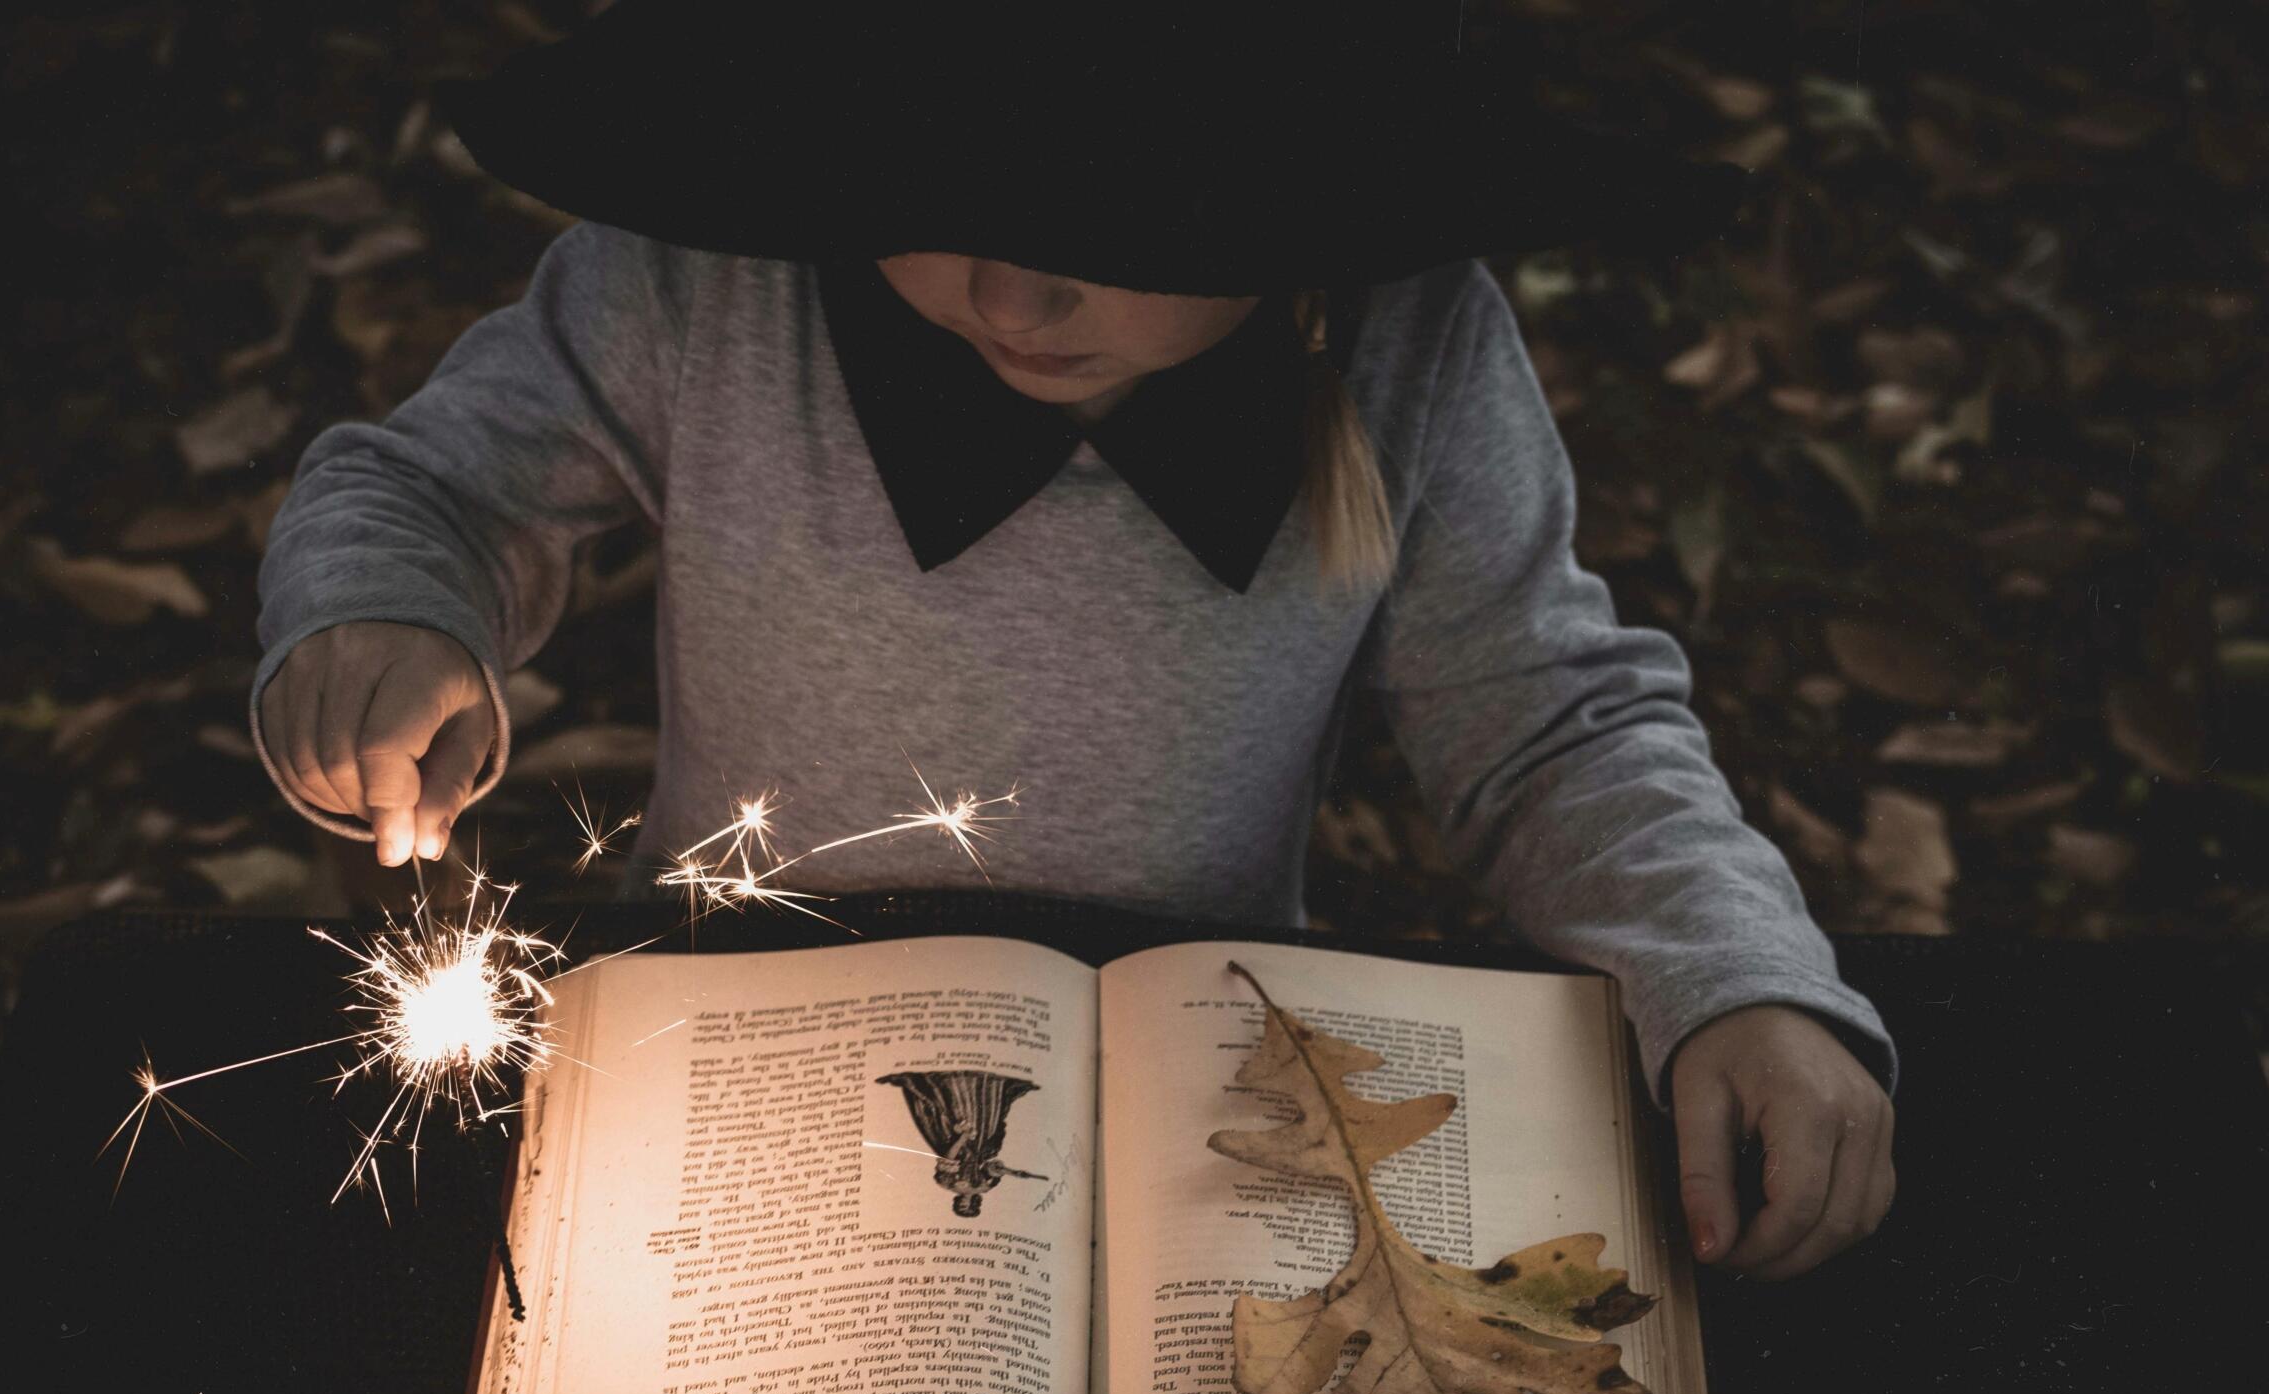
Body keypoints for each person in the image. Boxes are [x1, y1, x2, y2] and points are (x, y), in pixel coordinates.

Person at [249, 1, 1897, 1280]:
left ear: (1303, 201)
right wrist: (392, 614)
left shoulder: (1411, 350)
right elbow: (435, 485)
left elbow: (1547, 724)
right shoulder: (706, 291)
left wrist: (1727, 979)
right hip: (735, 1059)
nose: (1015, 299)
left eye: (1119, 226)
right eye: (939, 197)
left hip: (1197, 1098)